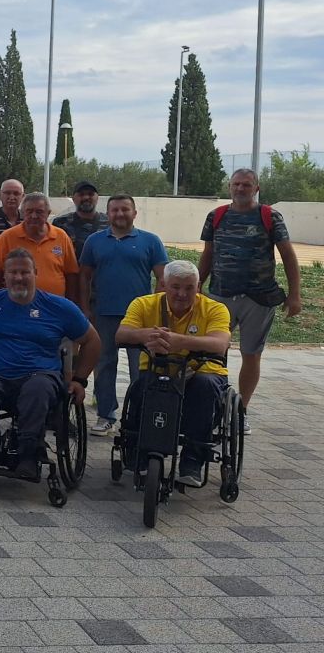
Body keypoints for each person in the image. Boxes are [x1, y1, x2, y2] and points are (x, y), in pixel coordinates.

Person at [0, 248, 100, 480]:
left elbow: (92, 341)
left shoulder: (59, 307)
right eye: (13, 272)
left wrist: (80, 380)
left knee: (37, 390)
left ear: (36, 273)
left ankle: (29, 453)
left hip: (40, 375)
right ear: (5, 276)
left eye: (25, 272)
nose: (19, 277)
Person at [198, 167, 302, 433]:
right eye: (236, 184)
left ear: (256, 188)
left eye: (246, 184)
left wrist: (295, 295)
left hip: (259, 298)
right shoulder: (216, 216)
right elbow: (208, 254)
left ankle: (240, 411)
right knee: (213, 352)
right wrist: (197, 285)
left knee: (251, 354)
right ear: (229, 187)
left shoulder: (269, 216)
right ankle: (213, 406)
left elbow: (288, 256)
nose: (240, 189)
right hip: (220, 296)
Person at [116, 260, 231, 486]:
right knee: (141, 387)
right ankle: (137, 449)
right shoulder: (143, 304)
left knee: (205, 387)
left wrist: (180, 341)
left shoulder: (215, 309)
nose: (182, 294)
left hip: (202, 371)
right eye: (176, 287)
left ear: (198, 287)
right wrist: (148, 336)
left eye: (189, 288)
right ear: (163, 285)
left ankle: (192, 461)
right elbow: (121, 335)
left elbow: (219, 344)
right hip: (158, 368)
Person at [79, 194, 167, 436]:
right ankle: (106, 415)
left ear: (134, 213)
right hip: (104, 314)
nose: (120, 214)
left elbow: (163, 277)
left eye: (125, 209)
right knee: (104, 365)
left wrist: (156, 310)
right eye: (115, 210)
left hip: (140, 318)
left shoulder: (150, 241)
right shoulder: (94, 241)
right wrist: (85, 307)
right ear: (108, 214)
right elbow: (84, 276)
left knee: (141, 367)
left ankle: (138, 416)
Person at [0, 192, 79, 302]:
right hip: (17, 303)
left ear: (48, 213)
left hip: (54, 305)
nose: (34, 216)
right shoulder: (7, 237)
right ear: (22, 213)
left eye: (39, 212)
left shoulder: (61, 236)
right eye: (29, 211)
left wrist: (70, 303)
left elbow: (71, 274)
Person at [53, 180, 109, 261]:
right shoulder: (60, 223)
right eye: (81, 194)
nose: (86, 197)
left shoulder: (109, 223)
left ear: (97, 198)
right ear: (73, 198)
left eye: (90, 194)